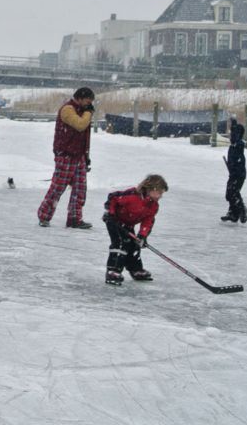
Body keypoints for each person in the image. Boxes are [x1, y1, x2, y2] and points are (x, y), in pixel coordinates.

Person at [37, 87, 95, 228]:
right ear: (80, 98)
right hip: (66, 155)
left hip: (79, 155)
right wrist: (88, 113)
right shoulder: (67, 110)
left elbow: (83, 136)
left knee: (80, 189)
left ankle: (74, 218)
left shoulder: (81, 110)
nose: (89, 104)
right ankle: (44, 215)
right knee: (58, 187)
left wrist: (86, 156)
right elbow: (80, 125)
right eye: (88, 101)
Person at [102, 174, 168, 286]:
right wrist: (111, 213)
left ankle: (135, 269)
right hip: (115, 221)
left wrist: (142, 236)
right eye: (160, 192)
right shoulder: (132, 196)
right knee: (120, 243)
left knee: (134, 244)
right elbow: (113, 198)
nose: (161, 196)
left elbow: (148, 221)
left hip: (128, 224)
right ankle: (113, 271)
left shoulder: (153, 205)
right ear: (151, 189)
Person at [221, 118, 247, 223]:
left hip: (238, 174)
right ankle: (233, 213)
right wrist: (233, 126)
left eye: (232, 133)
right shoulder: (234, 145)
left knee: (233, 193)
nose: (230, 135)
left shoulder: (238, 144)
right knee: (230, 193)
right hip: (234, 174)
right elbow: (235, 134)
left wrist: (234, 128)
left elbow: (236, 137)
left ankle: (242, 209)